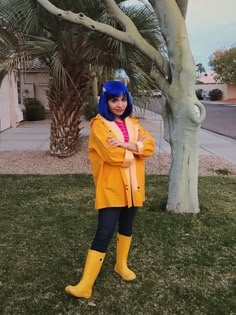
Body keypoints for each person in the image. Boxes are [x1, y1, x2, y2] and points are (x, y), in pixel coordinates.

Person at [65, 80, 155, 299]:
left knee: (126, 227)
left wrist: (125, 144)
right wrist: (137, 149)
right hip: (112, 188)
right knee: (104, 232)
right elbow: (112, 156)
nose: (120, 104)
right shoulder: (99, 125)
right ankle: (85, 285)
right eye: (114, 99)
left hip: (133, 186)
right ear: (106, 100)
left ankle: (120, 266)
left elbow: (150, 146)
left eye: (123, 99)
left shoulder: (133, 122)